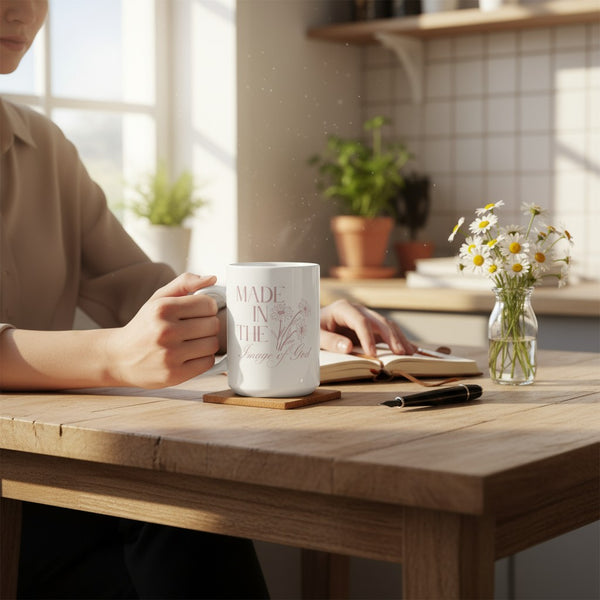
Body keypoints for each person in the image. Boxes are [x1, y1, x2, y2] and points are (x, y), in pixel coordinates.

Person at [0, 1, 415, 597]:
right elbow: (121, 338)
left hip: (41, 479)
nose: (22, 11)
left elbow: (133, 283)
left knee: (191, 518)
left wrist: (271, 313)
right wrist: (115, 356)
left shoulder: (45, 145)